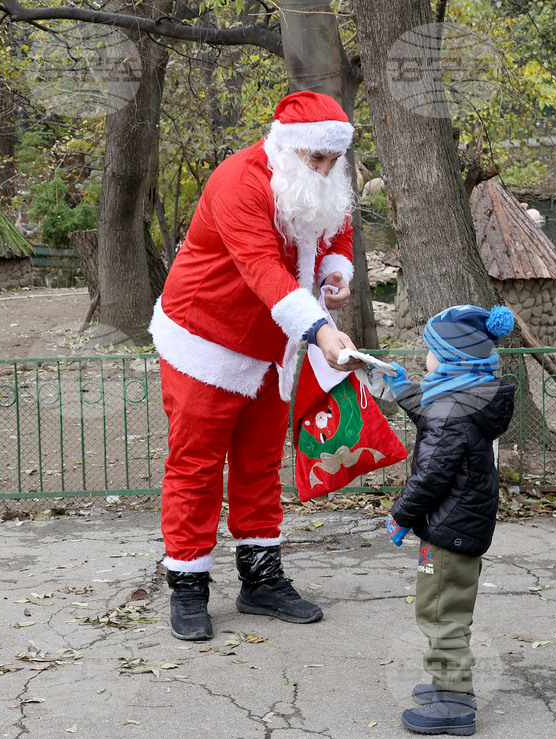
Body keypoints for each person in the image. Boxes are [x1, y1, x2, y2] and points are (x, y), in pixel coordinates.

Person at [149, 90, 366, 641]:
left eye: (331, 161)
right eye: (314, 160)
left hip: (273, 345)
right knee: (196, 466)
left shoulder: (321, 176)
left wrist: (334, 277)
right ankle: (188, 585)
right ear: (288, 147)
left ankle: (259, 579)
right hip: (206, 339)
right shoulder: (238, 180)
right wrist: (322, 331)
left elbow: (334, 229)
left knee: (259, 462)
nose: (322, 170)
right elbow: (264, 269)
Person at [382, 305, 516, 736]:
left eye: (430, 352)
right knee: (447, 604)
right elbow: (436, 418)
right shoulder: (469, 397)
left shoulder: (449, 410)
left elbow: (431, 475)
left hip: (448, 529)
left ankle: (455, 700)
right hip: (461, 524)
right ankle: (447, 685)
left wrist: (401, 515)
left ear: (451, 358)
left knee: (440, 611)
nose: (426, 359)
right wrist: (404, 391)